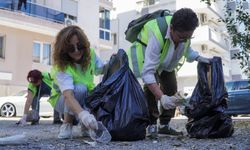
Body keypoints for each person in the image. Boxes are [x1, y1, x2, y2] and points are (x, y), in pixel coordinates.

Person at [127, 8, 211, 138]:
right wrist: (162, 97)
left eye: (188, 38)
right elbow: (148, 73)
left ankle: (164, 125)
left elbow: (187, 50)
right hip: (146, 57)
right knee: (150, 89)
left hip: (165, 61)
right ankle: (152, 125)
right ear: (171, 28)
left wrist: (198, 57)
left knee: (172, 88)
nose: (184, 41)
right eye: (181, 37)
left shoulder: (184, 33)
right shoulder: (157, 33)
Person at [49, 25, 105, 139]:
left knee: (96, 93)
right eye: (71, 48)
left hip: (85, 96)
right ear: (64, 50)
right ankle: (67, 124)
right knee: (80, 89)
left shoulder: (90, 54)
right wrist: (83, 115)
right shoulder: (62, 67)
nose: (76, 51)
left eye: (79, 46)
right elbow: (68, 96)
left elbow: (102, 69)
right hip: (62, 100)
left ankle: (85, 126)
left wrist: (114, 62)